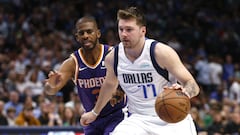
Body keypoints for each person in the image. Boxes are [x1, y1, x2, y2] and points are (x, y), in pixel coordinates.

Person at [80, 6, 200, 135]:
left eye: (129, 30)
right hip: (138, 119)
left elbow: (192, 84)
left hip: (172, 118)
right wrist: (94, 113)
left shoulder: (161, 53)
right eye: (121, 29)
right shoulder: (112, 58)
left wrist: (186, 92)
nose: (124, 34)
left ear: (143, 31)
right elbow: (109, 85)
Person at [44, 16, 126, 135]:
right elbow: (50, 91)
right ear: (77, 37)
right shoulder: (72, 63)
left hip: (117, 114)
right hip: (92, 118)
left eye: (89, 31)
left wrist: (121, 89)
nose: (85, 36)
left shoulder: (113, 54)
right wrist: (50, 85)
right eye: (81, 33)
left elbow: (130, 80)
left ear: (98, 33)